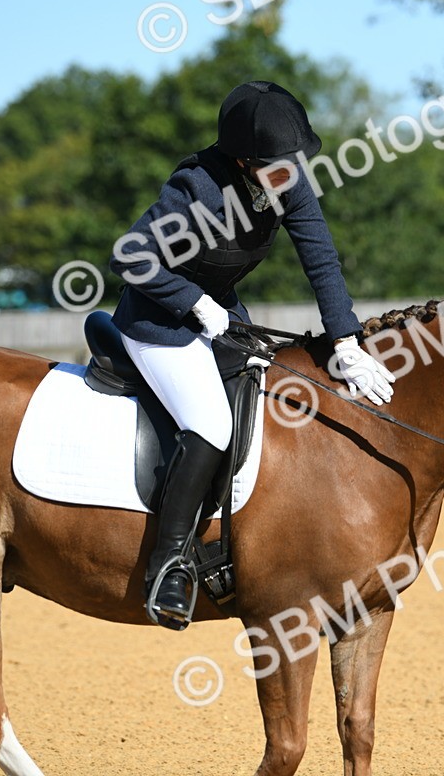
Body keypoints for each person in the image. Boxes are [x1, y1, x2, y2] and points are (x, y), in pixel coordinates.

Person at [109, 81, 395, 629]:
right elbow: (131, 257)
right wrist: (194, 304)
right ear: (243, 160)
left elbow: (322, 259)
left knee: (267, 402)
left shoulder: (284, 178)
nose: (290, 176)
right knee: (212, 423)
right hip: (158, 321)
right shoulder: (197, 188)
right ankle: (169, 563)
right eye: (276, 166)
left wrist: (347, 342)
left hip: (222, 320)